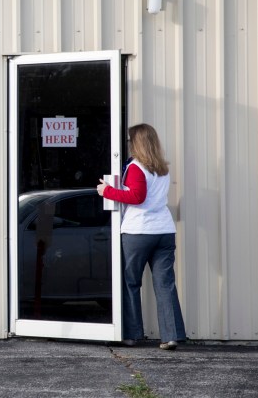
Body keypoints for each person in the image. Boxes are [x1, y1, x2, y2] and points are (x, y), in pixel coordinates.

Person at [97, 123, 186, 350]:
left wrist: (106, 191)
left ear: (135, 143)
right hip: (164, 231)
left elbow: (136, 197)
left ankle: (131, 334)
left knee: (130, 283)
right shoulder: (162, 168)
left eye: (129, 141)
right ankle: (170, 335)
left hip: (139, 231)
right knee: (165, 284)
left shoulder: (137, 167)